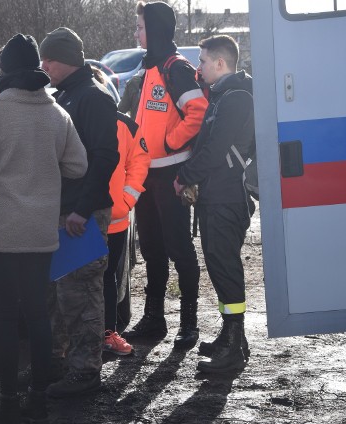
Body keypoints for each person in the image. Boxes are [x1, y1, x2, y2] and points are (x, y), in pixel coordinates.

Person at [0, 34, 87, 424]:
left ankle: (9, 402)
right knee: (37, 318)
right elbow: (78, 166)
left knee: (4, 320)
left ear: (5, 72)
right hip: (40, 233)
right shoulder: (56, 114)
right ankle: (40, 401)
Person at [39, 27, 119, 398]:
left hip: (81, 215)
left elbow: (106, 157)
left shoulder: (93, 97)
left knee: (83, 294)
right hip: (65, 211)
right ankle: (59, 366)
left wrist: (82, 210)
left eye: (49, 59)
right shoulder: (68, 95)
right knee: (62, 296)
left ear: (65, 59)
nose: (44, 66)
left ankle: (85, 372)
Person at [123, 1, 208, 351]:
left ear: (155, 28)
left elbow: (198, 110)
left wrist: (169, 143)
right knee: (154, 250)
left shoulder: (176, 68)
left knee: (180, 250)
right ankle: (154, 319)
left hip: (171, 174)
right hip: (146, 176)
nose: (136, 32)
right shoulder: (149, 70)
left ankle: (189, 323)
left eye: (140, 26)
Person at [174, 34, 255, 373]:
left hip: (226, 199)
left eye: (203, 61)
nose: (198, 68)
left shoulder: (234, 97)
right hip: (217, 196)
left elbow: (215, 150)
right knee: (221, 269)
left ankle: (233, 348)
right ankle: (231, 336)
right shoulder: (225, 94)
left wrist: (184, 175)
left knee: (225, 269)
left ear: (221, 63)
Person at [91, 67, 150, 356]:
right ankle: (75, 340)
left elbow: (139, 163)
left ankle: (108, 333)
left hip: (115, 220)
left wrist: (125, 201)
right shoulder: (72, 120)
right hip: (80, 218)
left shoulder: (124, 125)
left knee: (108, 278)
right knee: (76, 280)